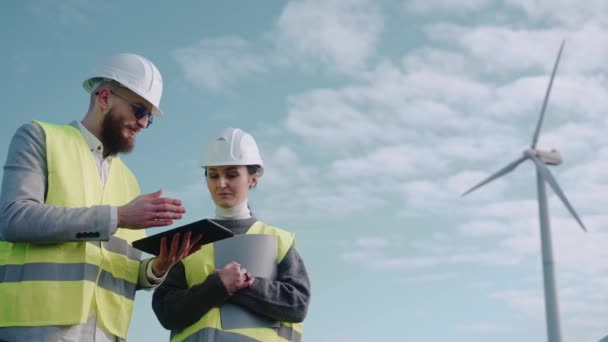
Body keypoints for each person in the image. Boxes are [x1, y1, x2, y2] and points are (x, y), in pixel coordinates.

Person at [0, 53, 202, 342]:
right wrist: (117, 217)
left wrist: (159, 267)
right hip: (36, 328)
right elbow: (14, 219)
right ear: (105, 97)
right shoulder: (40, 138)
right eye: (139, 111)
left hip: (106, 334)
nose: (143, 123)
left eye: (148, 118)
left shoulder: (129, 181)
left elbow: (126, 270)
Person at [152, 127, 311, 342]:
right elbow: (166, 311)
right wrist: (217, 286)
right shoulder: (190, 241)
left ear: (253, 179)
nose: (221, 184)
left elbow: (297, 304)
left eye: (232, 174)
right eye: (213, 175)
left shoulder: (278, 240)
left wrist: (245, 284)